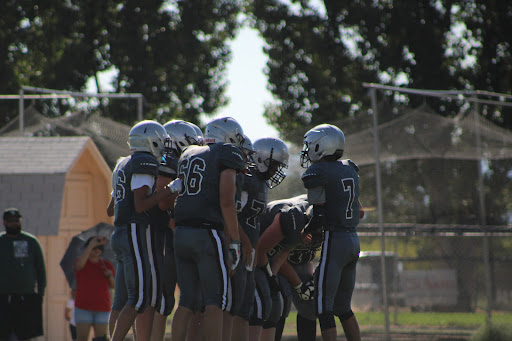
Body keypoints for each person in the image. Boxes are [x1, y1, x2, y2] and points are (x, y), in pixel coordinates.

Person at [170, 117, 245, 341]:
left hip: (181, 232)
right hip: (206, 233)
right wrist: (235, 242)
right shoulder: (227, 154)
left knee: (186, 300)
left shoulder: (189, 153)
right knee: (216, 301)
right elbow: (227, 201)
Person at [109, 120, 183, 341]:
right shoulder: (144, 161)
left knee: (121, 300)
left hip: (120, 232)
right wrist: (170, 189)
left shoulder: (123, 163)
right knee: (140, 299)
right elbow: (141, 205)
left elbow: (110, 209)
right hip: (135, 233)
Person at [300, 124, 364, 341]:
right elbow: (360, 210)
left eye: (310, 146)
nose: (307, 150)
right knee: (343, 307)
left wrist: (307, 231)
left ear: (321, 146)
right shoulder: (348, 168)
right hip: (353, 241)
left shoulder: (319, 172)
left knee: (323, 306)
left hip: (335, 240)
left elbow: (318, 215)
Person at [230, 137, 289, 341]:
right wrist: (244, 243)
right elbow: (231, 215)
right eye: (274, 165)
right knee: (251, 306)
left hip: (250, 254)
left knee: (262, 305)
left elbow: (253, 224)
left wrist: (266, 271)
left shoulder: (261, 184)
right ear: (261, 159)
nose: (275, 171)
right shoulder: (246, 180)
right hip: (236, 250)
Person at [149, 120, 202, 341]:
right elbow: (162, 201)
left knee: (186, 300)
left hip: (170, 235)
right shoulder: (167, 160)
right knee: (163, 301)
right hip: (163, 236)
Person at [251, 195, 315, 341]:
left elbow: (300, 254)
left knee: (310, 305)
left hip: (277, 259)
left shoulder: (318, 217)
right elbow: (270, 254)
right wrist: (298, 285)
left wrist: (308, 281)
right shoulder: (291, 219)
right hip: (261, 259)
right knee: (278, 301)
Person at [0, 208, 47, 341]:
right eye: (11, 221)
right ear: (4, 223)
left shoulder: (30, 241)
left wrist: (40, 293)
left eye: (16, 221)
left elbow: (40, 269)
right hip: (3, 297)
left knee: (25, 335)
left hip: (26, 297)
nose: (14, 224)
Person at [74, 236, 116, 341]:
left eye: (100, 248)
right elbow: (78, 266)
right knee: (82, 338)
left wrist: (110, 276)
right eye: (94, 248)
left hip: (102, 307)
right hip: (83, 307)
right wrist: (91, 245)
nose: (97, 250)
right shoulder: (81, 261)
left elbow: (114, 286)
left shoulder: (106, 265)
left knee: (100, 339)